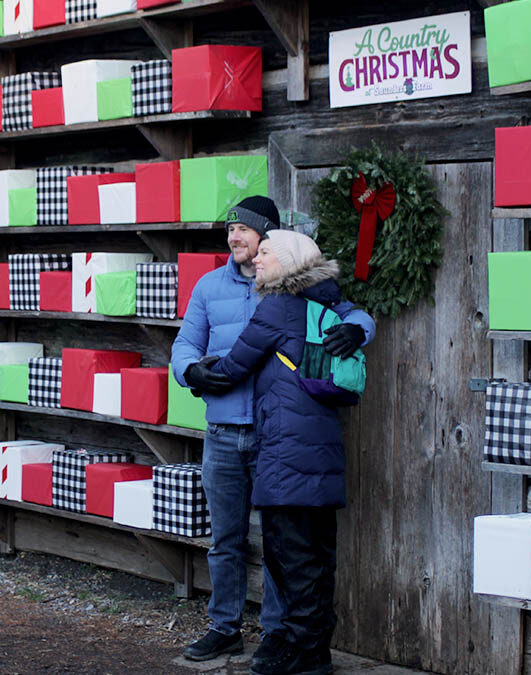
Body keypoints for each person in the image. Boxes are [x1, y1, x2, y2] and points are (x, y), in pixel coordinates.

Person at [172, 196, 373, 665]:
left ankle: (278, 634)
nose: (235, 238)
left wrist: (358, 331)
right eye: (230, 231)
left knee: (283, 545)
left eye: (244, 231)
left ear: (270, 239)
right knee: (226, 539)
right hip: (224, 430)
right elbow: (185, 344)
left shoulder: (293, 294)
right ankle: (224, 627)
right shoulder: (208, 287)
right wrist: (190, 373)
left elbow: (354, 314)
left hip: (273, 437)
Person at [206, 229, 359, 675]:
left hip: (287, 453)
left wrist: (197, 372)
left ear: (289, 262)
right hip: (320, 452)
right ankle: (311, 647)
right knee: (315, 555)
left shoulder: (276, 307)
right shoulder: (324, 305)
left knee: (289, 556)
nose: (258, 258)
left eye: (267, 252)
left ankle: (305, 654)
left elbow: (234, 366)